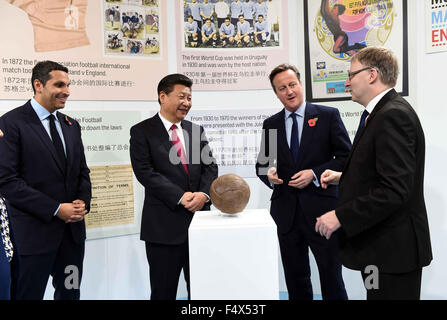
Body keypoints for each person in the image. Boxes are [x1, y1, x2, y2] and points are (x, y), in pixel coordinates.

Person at [316, 46, 432, 300]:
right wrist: (342, 177)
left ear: (371, 75)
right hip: (381, 249)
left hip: (393, 253)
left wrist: (340, 216)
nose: (347, 82)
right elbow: (381, 171)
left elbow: (394, 190)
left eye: (351, 75)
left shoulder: (392, 116)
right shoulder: (381, 113)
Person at [256, 64, 351, 300]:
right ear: (276, 93)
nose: (289, 91)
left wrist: (315, 174)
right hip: (286, 213)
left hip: (322, 213)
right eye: (281, 88)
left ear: (300, 84)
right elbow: (262, 165)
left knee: (331, 277)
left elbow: (346, 157)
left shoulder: (327, 115)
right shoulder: (271, 124)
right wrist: (269, 174)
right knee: (295, 279)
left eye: (292, 85)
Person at [0, 61, 91, 300]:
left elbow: (82, 171)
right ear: (38, 85)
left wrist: (82, 201)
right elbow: (8, 182)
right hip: (33, 238)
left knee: (70, 292)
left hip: (71, 237)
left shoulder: (71, 125)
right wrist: (56, 209)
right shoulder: (11, 123)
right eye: (59, 84)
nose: (67, 91)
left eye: (69, 85)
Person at [129, 74, 218, 300]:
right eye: (181, 97)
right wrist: (180, 196)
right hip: (163, 228)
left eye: (189, 98)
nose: (187, 103)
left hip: (199, 224)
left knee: (200, 290)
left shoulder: (195, 130)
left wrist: (204, 194)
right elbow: (145, 173)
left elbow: (210, 167)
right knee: (163, 291)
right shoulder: (142, 132)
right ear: (163, 97)